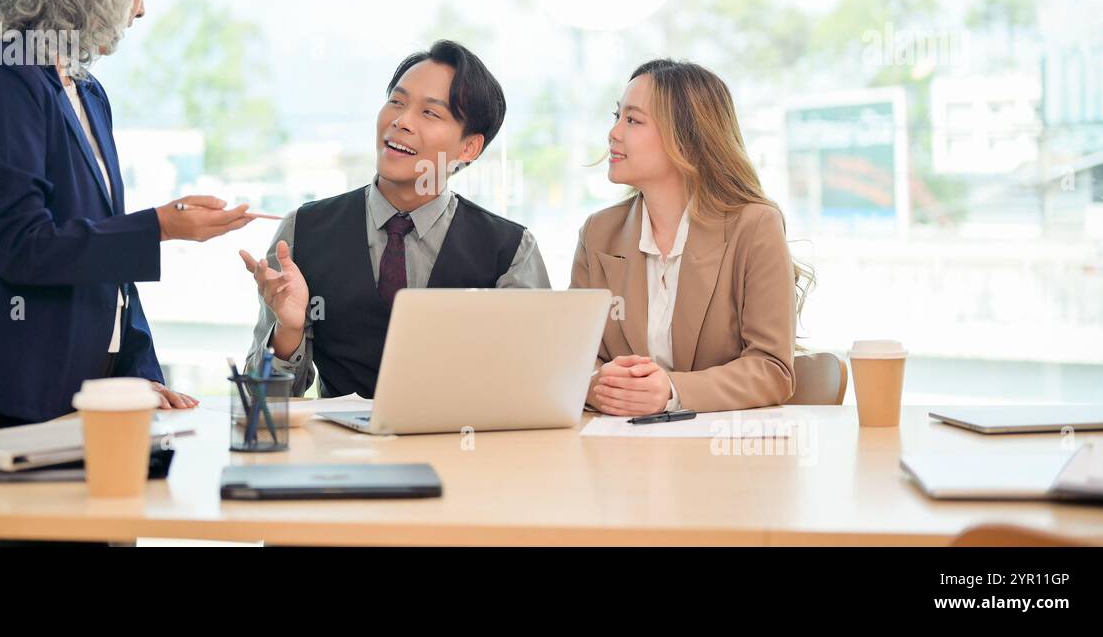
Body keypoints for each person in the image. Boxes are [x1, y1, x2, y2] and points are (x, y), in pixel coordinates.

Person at [0, 0, 257, 438]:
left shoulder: (86, 91)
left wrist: (137, 373)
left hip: (97, 392)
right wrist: (160, 227)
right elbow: (21, 246)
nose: (141, 7)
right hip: (15, 391)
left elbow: (102, 259)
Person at [242, 40, 549, 398]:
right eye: (397, 102)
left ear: (468, 147)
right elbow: (261, 404)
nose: (401, 122)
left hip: (462, 450)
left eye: (430, 113)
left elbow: (534, 388)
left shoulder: (511, 251)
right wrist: (288, 330)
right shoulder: (302, 231)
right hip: (341, 452)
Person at [572, 58, 811, 416]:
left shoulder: (755, 225)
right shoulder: (598, 234)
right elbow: (574, 361)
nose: (614, 133)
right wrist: (598, 384)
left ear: (685, 138)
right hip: (619, 451)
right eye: (616, 116)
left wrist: (671, 391)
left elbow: (771, 370)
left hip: (722, 458)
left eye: (633, 120)